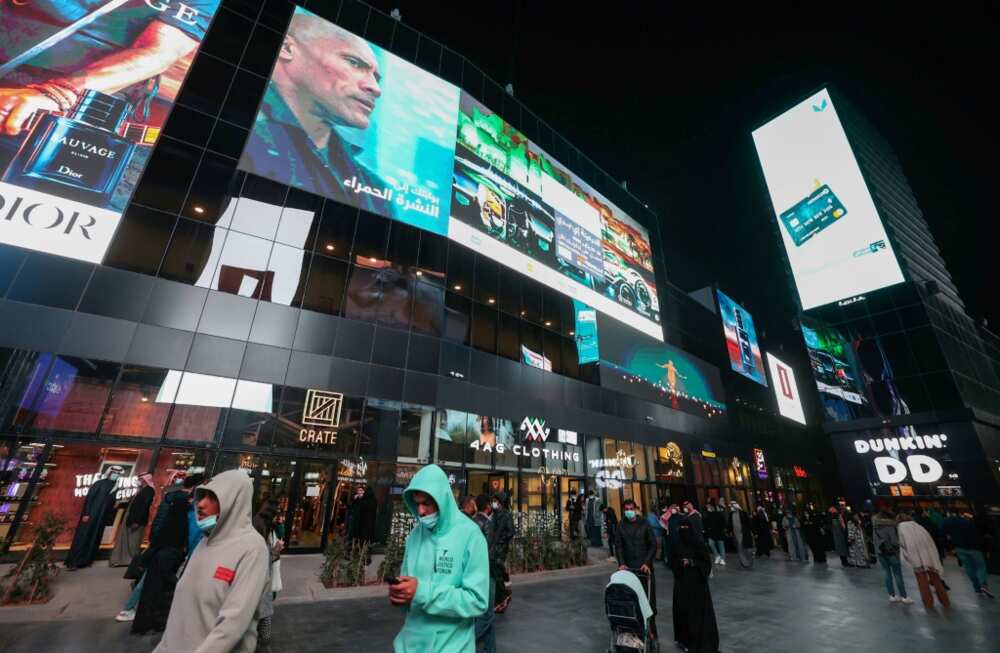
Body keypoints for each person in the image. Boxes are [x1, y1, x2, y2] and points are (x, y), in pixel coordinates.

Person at [239, 10, 388, 212]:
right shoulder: (238, 125)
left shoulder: (375, 190)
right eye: (354, 62)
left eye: (376, 78)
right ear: (286, 48)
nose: (375, 88)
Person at [153, 470, 270, 653]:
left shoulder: (253, 549)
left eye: (213, 497)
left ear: (234, 503)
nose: (200, 504)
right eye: (202, 495)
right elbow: (181, 613)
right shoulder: (204, 542)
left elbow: (232, 625)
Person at [390, 464, 489, 652]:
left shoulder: (471, 535)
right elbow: (409, 591)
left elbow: (477, 600)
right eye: (416, 503)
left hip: (452, 647)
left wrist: (421, 592)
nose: (420, 511)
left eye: (426, 503)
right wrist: (401, 595)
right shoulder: (414, 536)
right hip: (408, 645)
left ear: (442, 499)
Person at [132, 474, 197, 635]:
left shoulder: (172, 503)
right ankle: (152, 620)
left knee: (151, 589)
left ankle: (146, 622)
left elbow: (160, 524)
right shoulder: (182, 510)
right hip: (168, 554)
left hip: (160, 551)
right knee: (159, 590)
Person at [670, 521, 720, 653]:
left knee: (699, 615)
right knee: (684, 613)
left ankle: (702, 640)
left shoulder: (698, 544)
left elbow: (705, 564)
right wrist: (679, 564)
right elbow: (672, 562)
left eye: (686, 528)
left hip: (698, 586)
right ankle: (685, 640)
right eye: (682, 528)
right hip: (682, 585)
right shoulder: (676, 544)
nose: (684, 531)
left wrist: (692, 562)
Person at [65, 466, 122, 570]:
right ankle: (73, 562)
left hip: (101, 518)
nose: (116, 475)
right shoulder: (99, 483)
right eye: (114, 472)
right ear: (109, 473)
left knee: (95, 538)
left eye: (118, 473)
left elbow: (111, 503)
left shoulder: (116, 486)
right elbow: (89, 499)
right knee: (83, 537)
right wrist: (86, 514)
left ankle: (86, 561)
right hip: (90, 515)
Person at [615, 499, 657, 639]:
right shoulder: (621, 525)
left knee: (648, 601)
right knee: (630, 601)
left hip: (644, 569)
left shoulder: (644, 523)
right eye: (626, 509)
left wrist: (647, 562)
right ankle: (633, 632)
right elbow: (619, 546)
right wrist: (621, 563)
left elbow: (652, 544)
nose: (629, 511)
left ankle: (651, 632)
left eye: (631, 508)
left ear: (635, 509)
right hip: (628, 569)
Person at [898, 512, 950, 610]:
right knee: (936, 580)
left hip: (915, 557)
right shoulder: (919, 526)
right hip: (929, 556)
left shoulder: (901, 528)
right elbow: (929, 540)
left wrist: (906, 559)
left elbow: (903, 544)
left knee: (922, 582)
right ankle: (945, 602)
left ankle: (928, 604)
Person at [252, 501, 285, 652]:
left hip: (257, 588)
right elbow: (265, 560)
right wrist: (276, 550)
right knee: (263, 625)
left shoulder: (256, 527)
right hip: (259, 587)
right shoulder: (261, 536)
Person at [944, 511, 993, 598]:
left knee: (969, 568)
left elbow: (946, 534)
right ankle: (983, 585)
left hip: (959, 548)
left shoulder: (951, 523)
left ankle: (977, 589)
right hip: (974, 548)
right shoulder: (971, 523)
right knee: (980, 566)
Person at [110, 473, 155, 567]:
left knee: (133, 542)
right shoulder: (142, 489)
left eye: (141, 479)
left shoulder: (149, 490)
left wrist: (137, 521)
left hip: (136, 521)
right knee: (128, 540)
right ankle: (124, 560)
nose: (139, 481)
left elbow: (144, 507)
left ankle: (132, 561)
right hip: (131, 518)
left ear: (146, 480)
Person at [472, 495, 497, 653]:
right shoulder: (487, 523)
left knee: (487, 615)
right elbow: (488, 551)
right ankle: (462, 643)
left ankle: (491, 649)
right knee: (487, 615)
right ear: (488, 506)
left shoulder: (471, 522)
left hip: (473, 572)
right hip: (487, 573)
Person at [872, 505, 911, 604]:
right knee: (897, 574)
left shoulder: (875, 526)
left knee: (886, 573)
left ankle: (892, 595)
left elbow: (875, 540)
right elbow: (894, 541)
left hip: (881, 552)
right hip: (892, 552)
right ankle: (904, 596)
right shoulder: (890, 526)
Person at [492, 491, 515, 614]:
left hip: (501, 548)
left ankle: (503, 598)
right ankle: (501, 597)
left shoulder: (507, 515)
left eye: (496, 501)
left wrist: (501, 541)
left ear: (500, 502)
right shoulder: (494, 513)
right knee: (497, 572)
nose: (494, 503)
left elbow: (511, 532)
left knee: (498, 572)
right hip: (493, 548)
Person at [347, 484, 378, 554]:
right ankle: (355, 551)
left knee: (362, 539)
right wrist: (354, 499)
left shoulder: (367, 500)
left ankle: (359, 552)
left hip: (363, 524)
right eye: (359, 490)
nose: (360, 492)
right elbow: (350, 506)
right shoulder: (358, 498)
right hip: (357, 522)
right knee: (356, 537)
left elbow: (364, 509)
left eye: (362, 490)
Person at [727, 501, 753, 565]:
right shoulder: (731, 514)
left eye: (732, 506)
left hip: (744, 533)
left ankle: (749, 559)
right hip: (736, 534)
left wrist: (752, 531)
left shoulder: (743, 513)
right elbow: (730, 525)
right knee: (740, 548)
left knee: (747, 549)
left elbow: (749, 523)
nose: (731, 508)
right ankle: (744, 562)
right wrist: (729, 531)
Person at [703, 499, 727, 566]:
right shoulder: (707, 515)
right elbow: (705, 523)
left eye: (709, 507)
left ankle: (722, 559)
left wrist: (723, 529)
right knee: (711, 544)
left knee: (721, 546)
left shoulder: (718, 514)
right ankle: (717, 556)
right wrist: (706, 529)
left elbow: (723, 522)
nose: (708, 508)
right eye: (707, 507)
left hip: (719, 532)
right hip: (711, 533)